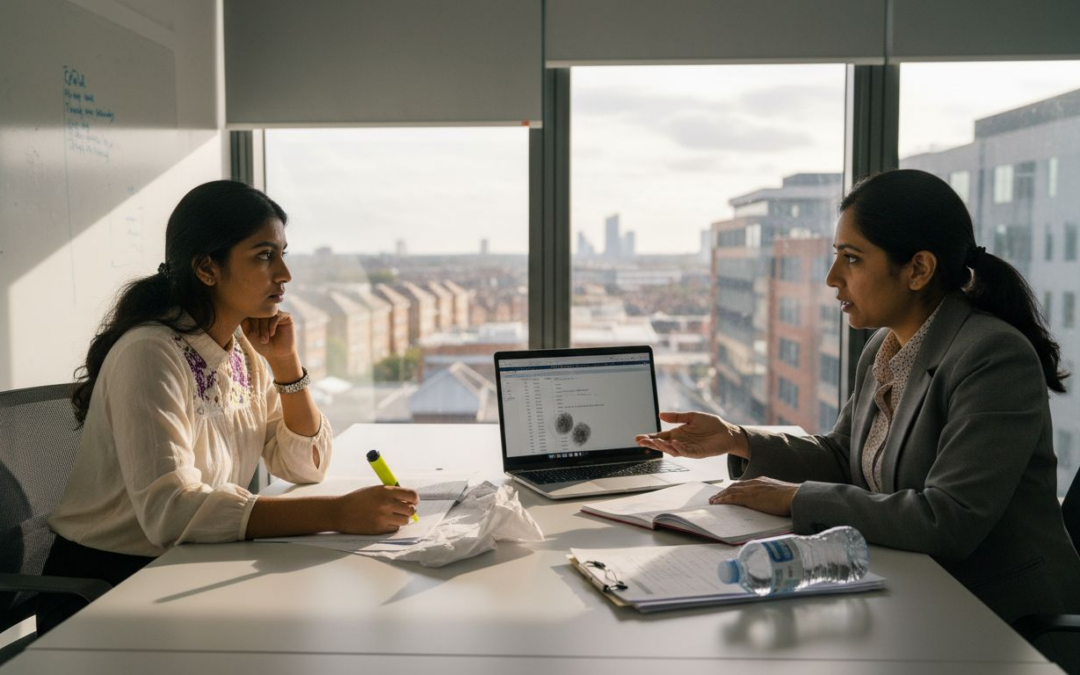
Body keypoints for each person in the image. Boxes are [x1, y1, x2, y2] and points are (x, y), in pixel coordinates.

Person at [637, 170, 1080, 650]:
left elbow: (949, 519)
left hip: (997, 619)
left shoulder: (993, 357)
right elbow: (845, 454)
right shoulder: (885, 347)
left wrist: (794, 497)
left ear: (918, 269)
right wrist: (739, 438)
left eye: (851, 259)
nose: (832, 279)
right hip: (912, 588)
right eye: (836, 257)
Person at [39, 180, 419, 633]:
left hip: (190, 566)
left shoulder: (240, 350)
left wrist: (285, 364)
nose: (285, 274)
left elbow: (305, 466)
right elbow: (171, 511)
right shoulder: (150, 352)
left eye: (282, 253)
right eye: (264, 255)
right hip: (109, 588)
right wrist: (336, 514)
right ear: (206, 268)